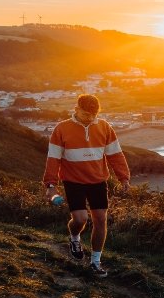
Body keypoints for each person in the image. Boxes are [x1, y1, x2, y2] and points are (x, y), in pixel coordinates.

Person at [43, 94, 130, 277]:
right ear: (76, 109)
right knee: (81, 219)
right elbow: (53, 159)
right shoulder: (61, 129)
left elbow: (115, 155)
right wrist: (51, 184)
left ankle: (95, 262)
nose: (89, 118)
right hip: (73, 181)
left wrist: (124, 178)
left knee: (100, 220)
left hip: (98, 181)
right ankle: (75, 238)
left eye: (93, 115)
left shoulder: (105, 127)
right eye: (85, 114)